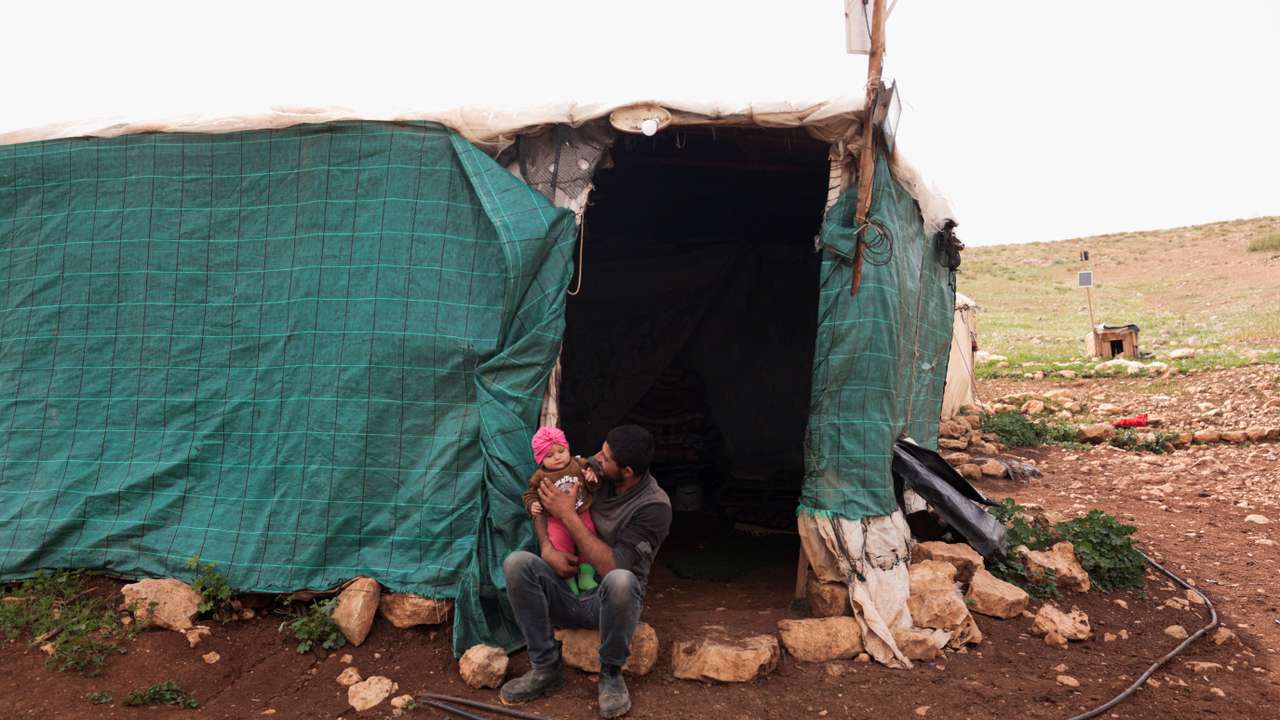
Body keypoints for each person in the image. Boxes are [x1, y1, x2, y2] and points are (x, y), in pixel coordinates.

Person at [501, 425, 671, 719]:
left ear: (627, 471)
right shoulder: (589, 471)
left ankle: (611, 674)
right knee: (516, 563)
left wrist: (568, 514)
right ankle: (545, 668)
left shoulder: (654, 506)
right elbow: (544, 498)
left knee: (621, 580)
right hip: (566, 590)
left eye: (604, 457)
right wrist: (546, 548)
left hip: (608, 605)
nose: (595, 459)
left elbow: (613, 566)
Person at [522, 426, 600, 594]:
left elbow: (593, 484)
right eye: (549, 455)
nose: (557, 457)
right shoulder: (540, 476)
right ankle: (569, 580)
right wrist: (532, 504)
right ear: (540, 459)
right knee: (559, 547)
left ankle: (586, 576)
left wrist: (592, 478)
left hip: (581, 513)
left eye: (561, 451)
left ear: (568, 448)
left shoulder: (579, 463)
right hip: (555, 520)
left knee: (589, 541)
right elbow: (530, 493)